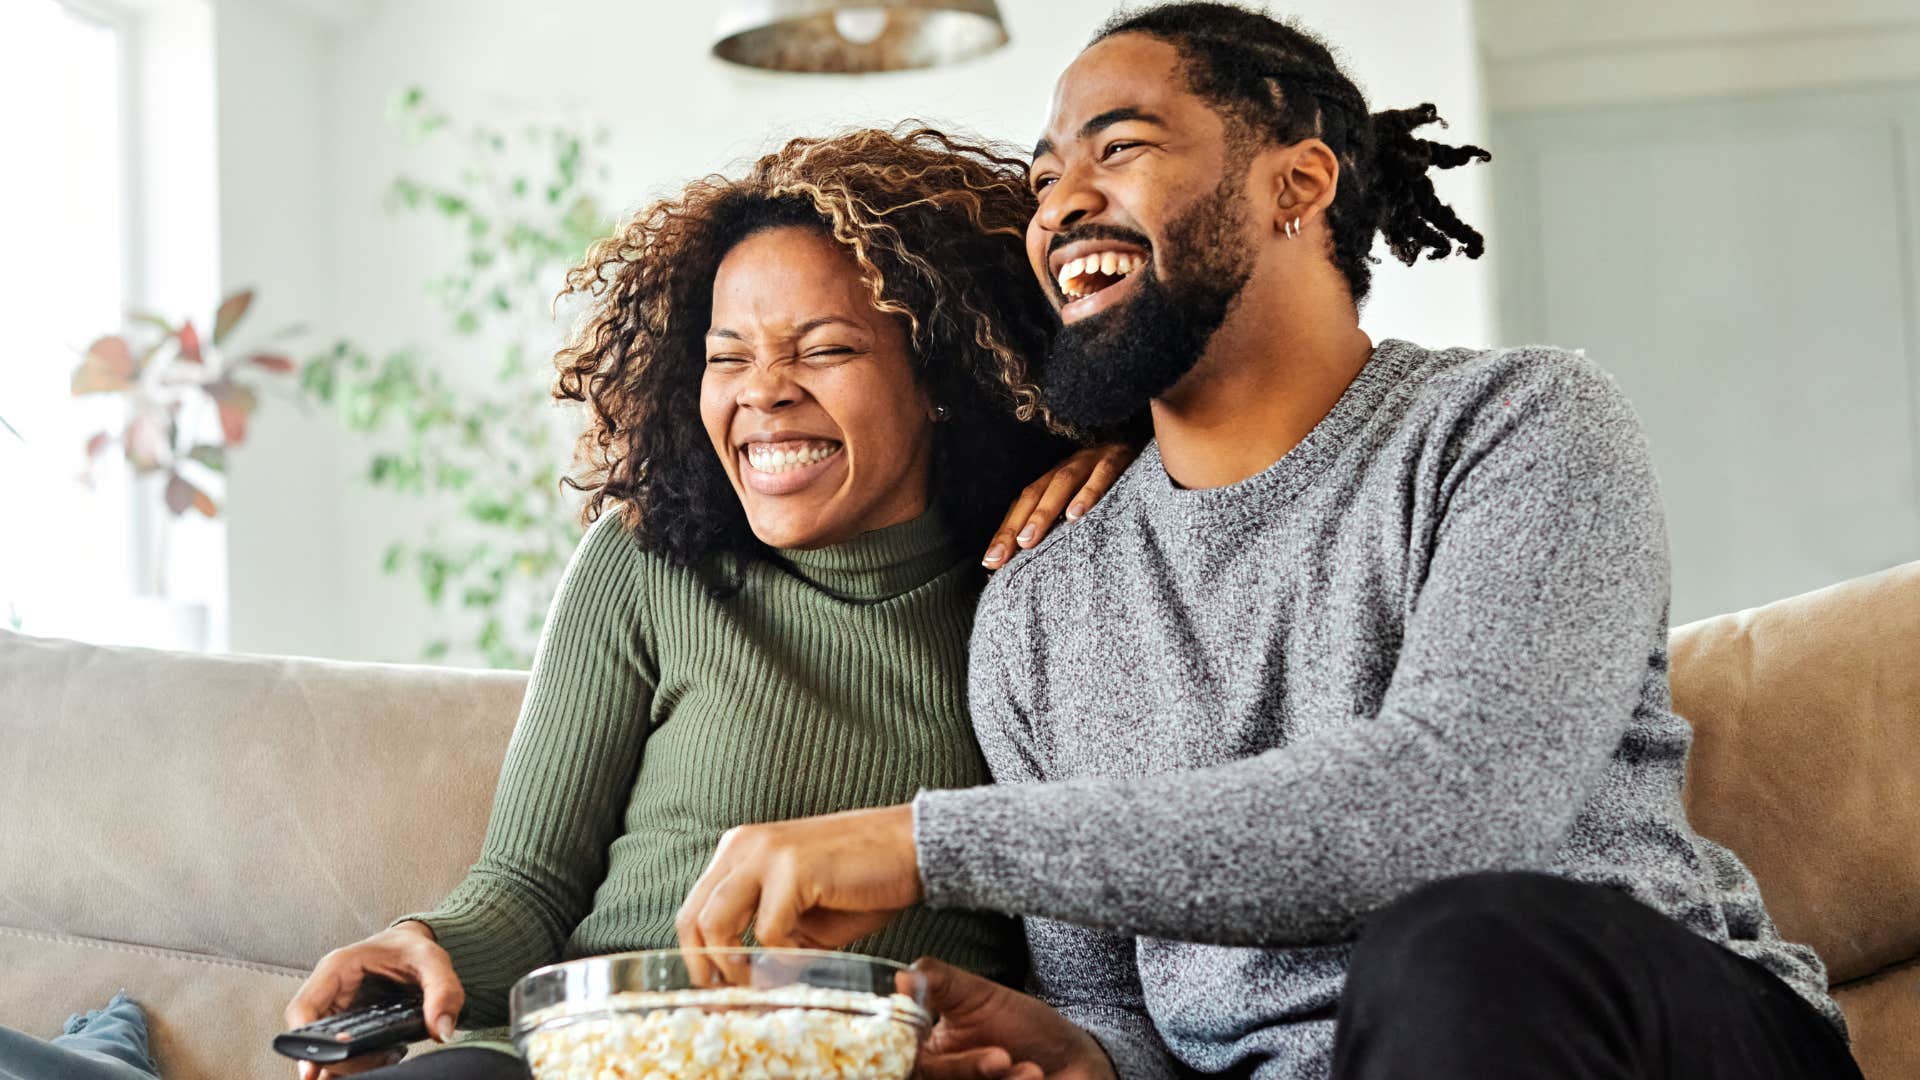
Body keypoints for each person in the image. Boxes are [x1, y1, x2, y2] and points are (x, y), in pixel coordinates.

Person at [674, 6, 1863, 1080]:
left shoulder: (1518, 427)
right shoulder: (1039, 603)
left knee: (1455, 950)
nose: (1062, 202)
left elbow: (1443, 812)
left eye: (1119, 147)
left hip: (1641, 1033)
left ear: (1297, 184)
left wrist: (921, 845)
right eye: (1045, 178)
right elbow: (1127, 1021)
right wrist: (1080, 1056)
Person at [283, 126, 1133, 1080]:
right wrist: (421, 947)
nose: (764, 392)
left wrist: (1128, 460)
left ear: (941, 377)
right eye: (728, 358)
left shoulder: (1044, 590)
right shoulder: (648, 561)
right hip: (591, 1056)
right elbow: (526, 887)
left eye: (825, 348)